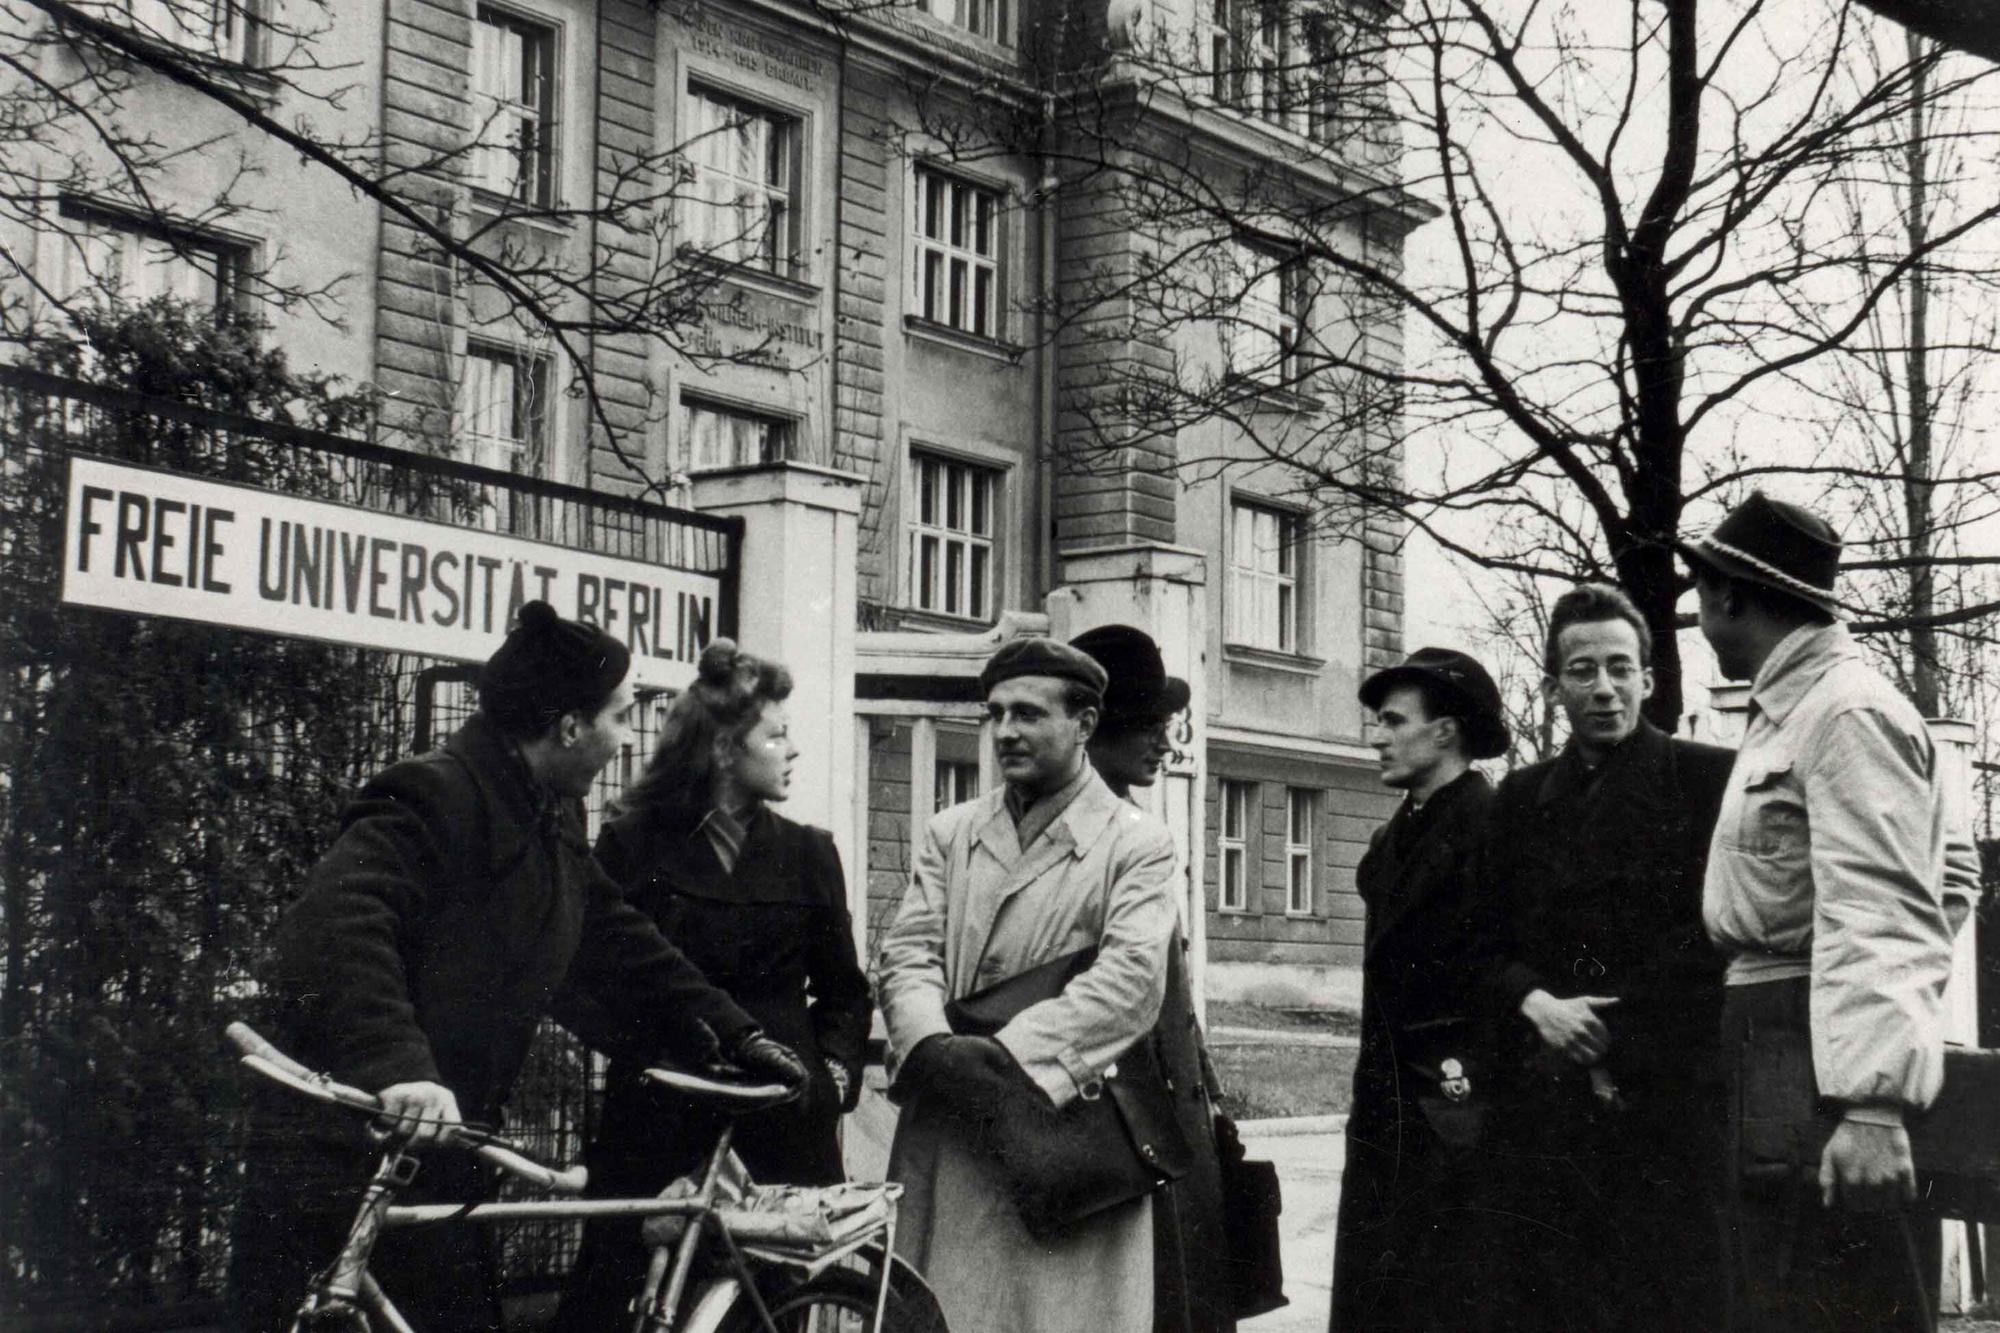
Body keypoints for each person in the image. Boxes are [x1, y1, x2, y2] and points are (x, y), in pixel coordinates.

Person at [228, 603, 809, 1333]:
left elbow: (617, 935)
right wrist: (399, 1065)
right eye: (620, 717)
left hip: (438, 1157)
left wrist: (734, 1029)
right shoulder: (433, 794)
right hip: (347, 1155)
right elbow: (343, 920)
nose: (627, 738)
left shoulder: (551, 814)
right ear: (568, 726)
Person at [1685, 492, 1979, 1332]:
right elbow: (1948, 876)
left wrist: (1871, 1098)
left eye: (1700, 592)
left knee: (1839, 1297)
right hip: (1789, 1034)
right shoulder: (1801, 706)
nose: (1701, 613)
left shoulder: (1843, 712)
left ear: (1730, 594)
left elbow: (1886, 906)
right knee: (1787, 1293)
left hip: (1815, 1048)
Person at [553, 640, 871, 1331]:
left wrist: (833, 1075)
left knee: (764, 1311)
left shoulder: (810, 852)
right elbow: (579, 976)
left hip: (780, 1120)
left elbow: (846, 989)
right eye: (777, 735)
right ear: (725, 749)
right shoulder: (635, 843)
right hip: (659, 1116)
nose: (792, 751)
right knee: (617, 1301)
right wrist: (649, 1050)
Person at [877, 636, 1179, 1333]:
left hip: (1062, 1129)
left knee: (1056, 1313)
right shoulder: (951, 832)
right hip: (952, 1120)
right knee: (949, 1305)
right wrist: (931, 1042)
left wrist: (1003, 1060)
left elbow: (1131, 982)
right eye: (997, 713)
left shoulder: (1136, 842)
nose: (1007, 731)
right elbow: (909, 952)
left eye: (1029, 714)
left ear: (1085, 723)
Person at [1473, 584, 1736, 1332]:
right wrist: (1537, 1003)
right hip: (1546, 1114)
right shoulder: (1519, 800)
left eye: (1620, 667)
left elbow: (1716, 938)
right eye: (1582, 671)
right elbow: (1481, 941)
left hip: (1668, 1108)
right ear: (1554, 686)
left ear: (1649, 678)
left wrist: (1612, 1030)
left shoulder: (1707, 780)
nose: (1604, 688)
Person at [1329, 646, 1507, 1332]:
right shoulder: (1398, 832)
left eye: (1393, 719)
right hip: (1387, 1109)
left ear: (1446, 730)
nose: (1377, 734)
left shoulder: (1491, 828)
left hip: (1453, 1111)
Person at [1070, 625, 1232, 1333]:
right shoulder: (1078, 834)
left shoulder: (1137, 828)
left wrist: (1211, 1090)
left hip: (1173, 1111)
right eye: (1146, 724)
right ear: (1096, 727)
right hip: (1125, 1122)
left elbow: (1174, 993)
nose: (1163, 742)